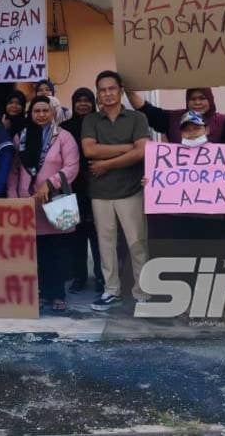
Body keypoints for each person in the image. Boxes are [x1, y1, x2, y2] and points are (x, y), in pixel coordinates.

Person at [130, 85, 225, 291]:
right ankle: (187, 294)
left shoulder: (224, 122)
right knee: (186, 252)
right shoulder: (173, 118)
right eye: (193, 99)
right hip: (183, 213)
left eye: (202, 98)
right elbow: (146, 109)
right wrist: (153, 181)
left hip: (216, 214)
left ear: (207, 129)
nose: (197, 102)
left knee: (215, 253)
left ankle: (216, 294)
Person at [81, 71, 152, 313]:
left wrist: (106, 164)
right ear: (98, 93)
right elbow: (89, 150)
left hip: (131, 191)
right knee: (105, 245)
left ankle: (142, 292)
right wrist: (126, 149)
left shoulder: (137, 118)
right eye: (102, 90)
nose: (107, 93)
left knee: (137, 243)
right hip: (100, 193)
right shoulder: (91, 120)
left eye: (112, 88)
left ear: (120, 90)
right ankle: (111, 291)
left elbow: (142, 151)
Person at [7, 96, 80, 311]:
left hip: (55, 200)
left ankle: (56, 293)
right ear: (30, 113)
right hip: (27, 203)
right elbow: (13, 170)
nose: (40, 115)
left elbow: (72, 167)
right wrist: (13, 197)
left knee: (56, 251)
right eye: (36, 111)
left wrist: (50, 183)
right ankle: (37, 292)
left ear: (52, 113)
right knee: (33, 252)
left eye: (45, 110)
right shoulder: (22, 137)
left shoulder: (64, 137)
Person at [60, 88, 104, 294]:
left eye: (88, 100)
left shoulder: (100, 123)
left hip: (99, 186)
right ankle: (78, 276)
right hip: (71, 189)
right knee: (74, 236)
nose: (83, 104)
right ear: (73, 103)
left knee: (98, 235)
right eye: (79, 101)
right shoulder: (64, 128)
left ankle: (101, 277)